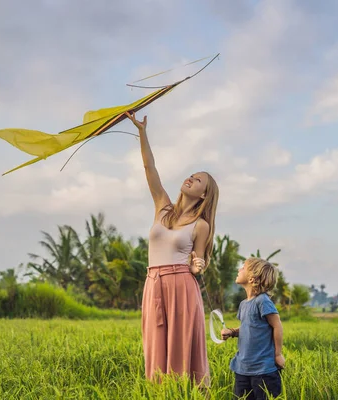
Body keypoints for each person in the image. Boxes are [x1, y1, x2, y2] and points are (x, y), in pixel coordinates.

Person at [125, 111, 219, 386]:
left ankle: (184, 392)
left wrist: (197, 265)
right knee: (155, 345)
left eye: (197, 180)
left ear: (204, 194)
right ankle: (159, 392)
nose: (190, 179)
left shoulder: (201, 225)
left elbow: (198, 262)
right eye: (191, 175)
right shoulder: (163, 207)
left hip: (181, 285)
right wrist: (142, 132)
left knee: (180, 348)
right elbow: (149, 169)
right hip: (153, 282)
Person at [221, 258, 285, 400]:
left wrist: (277, 354)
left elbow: (277, 325)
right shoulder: (244, 304)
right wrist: (232, 332)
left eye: (243, 267)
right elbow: (248, 328)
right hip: (243, 369)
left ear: (252, 278)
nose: (239, 270)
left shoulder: (262, 301)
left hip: (263, 371)